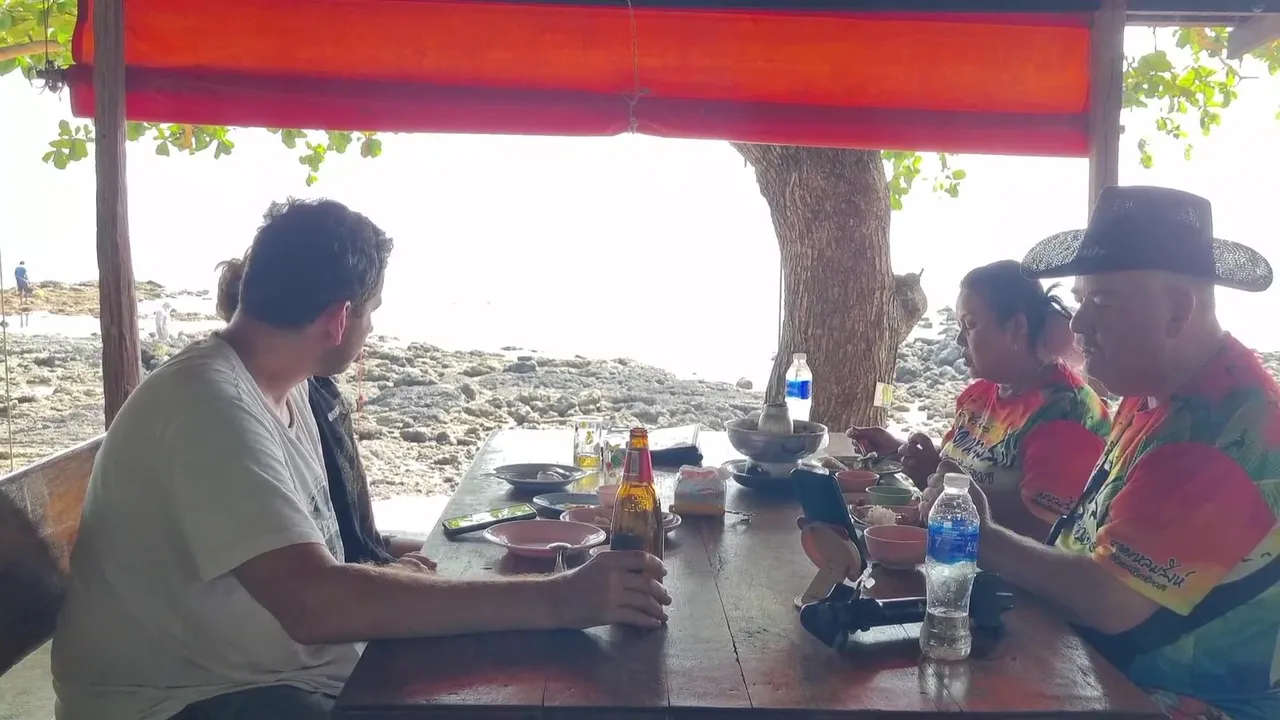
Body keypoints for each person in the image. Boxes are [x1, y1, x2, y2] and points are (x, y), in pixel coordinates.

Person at [51, 199, 671, 720]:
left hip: (274, 676)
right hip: (189, 702)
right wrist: (558, 599)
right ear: (339, 317)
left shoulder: (285, 388)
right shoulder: (208, 407)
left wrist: (402, 570)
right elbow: (314, 602)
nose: (370, 329)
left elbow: (317, 563)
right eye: (372, 312)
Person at [956, 186, 1280, 720]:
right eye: (1081, 300)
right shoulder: (1150, 391)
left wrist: (980, 537)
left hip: (1177, 701)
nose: (1077, 323)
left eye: (1102, 302)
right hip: (1093, 667)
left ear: (1177, 310)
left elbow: (1110, 600)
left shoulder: (1224, 429)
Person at [850, 260, 1111, 538]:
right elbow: (974, 466)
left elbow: (1044, 528)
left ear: (1016, 327)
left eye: (970, 325)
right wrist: (901, 452)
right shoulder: (977, 397)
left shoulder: (1066, 411)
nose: (959, 340)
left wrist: (940, 482)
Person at [215, 253, 414, 565]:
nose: (371, 328)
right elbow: (307, 578)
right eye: (370, 311)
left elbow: (349, 534)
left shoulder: (305, 389)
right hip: (353, 572)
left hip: (363, 559)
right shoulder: (238, 413)